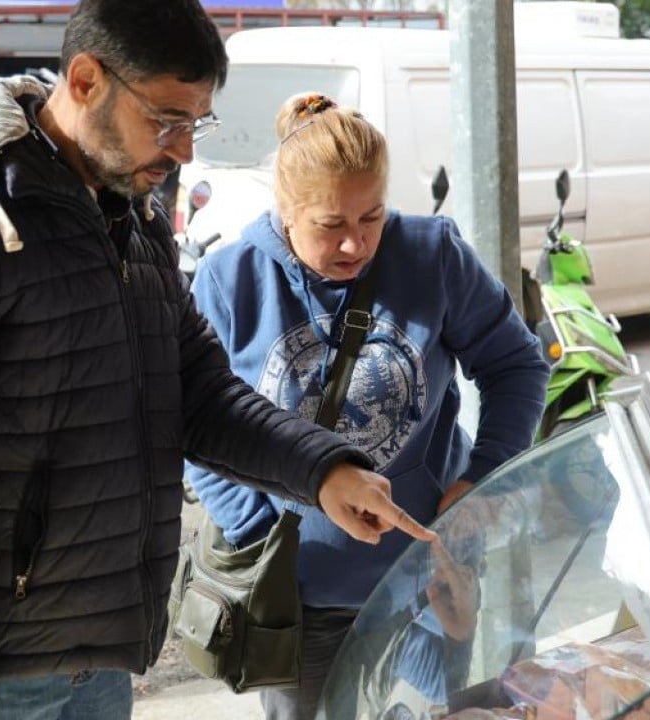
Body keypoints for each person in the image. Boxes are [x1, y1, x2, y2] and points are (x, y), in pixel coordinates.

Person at [0, 4, 435, 719]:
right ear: (86, 81)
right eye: (166, 120)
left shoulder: (133, 220)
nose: (183, 152)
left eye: (196, 124)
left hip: (100, 661)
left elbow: (201, 395)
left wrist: (323, 471)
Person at [186, 92, 550, 719]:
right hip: (301, 602)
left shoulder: (432, 254)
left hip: (430, 584)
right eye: (331, 225)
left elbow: (516, 365)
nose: (355, 244)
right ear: (285, 210)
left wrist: (482, 479)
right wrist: (264, 541)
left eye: (372, 218)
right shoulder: (229, 280)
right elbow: (196, 425)